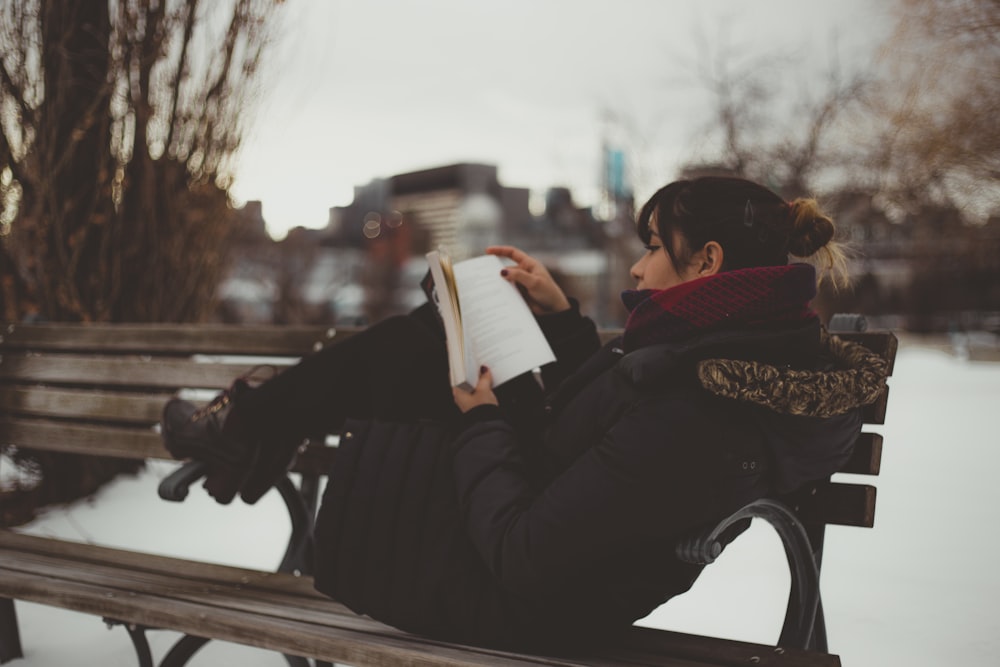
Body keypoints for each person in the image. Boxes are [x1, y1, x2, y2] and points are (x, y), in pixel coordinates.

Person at [162, 176, 888, 651]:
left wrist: (480, 421)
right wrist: (565, 319)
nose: (636, 269)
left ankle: (246, 431)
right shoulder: (726, 349)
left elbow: (525, 553)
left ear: (707, 262)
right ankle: (253, 429)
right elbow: (611, 439)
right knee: (433, 333)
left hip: (519, 595)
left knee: (422, 348)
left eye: (652, 250)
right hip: (532, 533)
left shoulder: (702, 402)